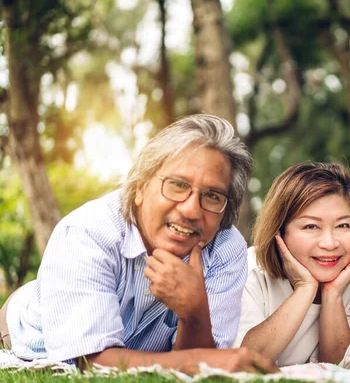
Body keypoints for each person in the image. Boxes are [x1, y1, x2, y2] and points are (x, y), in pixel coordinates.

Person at [0, 115, 276, 374]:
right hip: (26, 331)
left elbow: (199, 366)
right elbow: (90, 363)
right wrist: (207, 360)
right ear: (141, 187)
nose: (192, 210)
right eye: (177, 185)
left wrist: (195, 312)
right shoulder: (88, 232)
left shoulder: (226, 248)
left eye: (212, 195)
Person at [234, 162, 350, 368]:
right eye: (311, 226)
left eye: (343, 225)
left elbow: (338, 366)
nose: (329, 243)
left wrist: (333, 294)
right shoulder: (249, 270)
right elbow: (248, 363)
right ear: (279, 231)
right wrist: (305, 288)